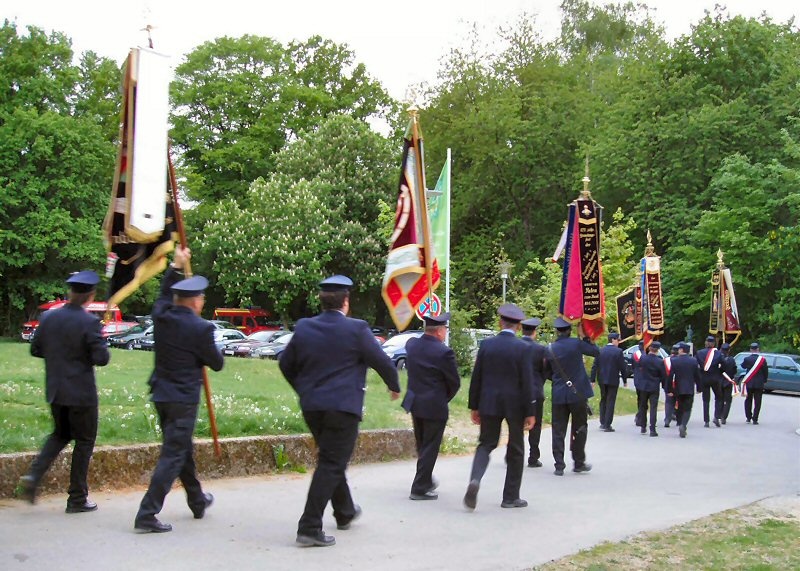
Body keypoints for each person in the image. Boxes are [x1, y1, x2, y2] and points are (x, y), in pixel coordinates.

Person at [279, 275, 400, 547]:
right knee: (331, 463)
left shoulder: (305, 327)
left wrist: (303, 389)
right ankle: (309, 526)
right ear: (346, 302)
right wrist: (394, 385)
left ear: (321, 302)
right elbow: (381, 361)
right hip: (342, 408)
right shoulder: (356, 329)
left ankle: (344, 511)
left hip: (312, 407)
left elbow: (285, 364)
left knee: (331, 458)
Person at [134, 247, 224, 533]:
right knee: (173, 454)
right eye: (202, 298)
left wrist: (175, 266)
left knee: (181, 449)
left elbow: (162, 296)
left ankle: (197, 500)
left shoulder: (161, 316)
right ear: (195, 301)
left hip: (161, 393)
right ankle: (147, 513)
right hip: (183, 399)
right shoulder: (201, 329)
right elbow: (217, 363)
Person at [18, 270, 110, 512]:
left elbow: (35, 349)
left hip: (56, 390)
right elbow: (102, 359)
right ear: (91, 295)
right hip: (81, 395)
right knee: (84, 441)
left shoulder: (48, 318)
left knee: (59, 435)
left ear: (70, 292)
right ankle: (77, 498)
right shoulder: (90, 322)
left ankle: (34, 476)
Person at [464, 304, 537, 510]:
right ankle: (510, 497)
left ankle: (475, 479)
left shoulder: (487, 345)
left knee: (485, 443)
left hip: (489, 401)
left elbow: (476, 377)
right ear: (519, 326)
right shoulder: (523, 348)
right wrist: (530, 411)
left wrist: (474, 406)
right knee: (516, 447)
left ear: (500, 323)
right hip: (515, 405)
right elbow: (527, 381)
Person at [403, 312, 461, 500]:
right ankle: (419, 487)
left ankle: (425, 479)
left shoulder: (412, 345)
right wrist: (443, 398)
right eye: (445, 329)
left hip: (415, 402)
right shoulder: (444, 352)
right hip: (434, 405)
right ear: (439, 331)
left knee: (422, 445)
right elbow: (455, 382)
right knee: (430, 447)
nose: (445, 333)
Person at [543, 317, 600, 476]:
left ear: (557, 331)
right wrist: (586, 336)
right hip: (578, 393)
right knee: (580, 427)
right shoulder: (577, 343)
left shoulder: (550, 348)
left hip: (559, 394)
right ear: (569, 330)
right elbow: (596, 352)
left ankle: (559, 465)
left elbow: (548, 372)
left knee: (558, 430)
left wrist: (559, 380)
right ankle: (579, 461)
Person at [520, 317, 546, 467]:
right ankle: (533, 456)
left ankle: (512, 452)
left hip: (517, 391)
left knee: (516, 423)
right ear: (534, 332)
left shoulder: (515, 346)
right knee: (535, 425)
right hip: (535, 390)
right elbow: (545, 371)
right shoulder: (540, 349)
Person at [589, 332, 627, 432]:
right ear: (613, 340)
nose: (618, 342)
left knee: (603, 399)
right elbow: (622, 367)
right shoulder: (618, 351)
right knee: (611, 401)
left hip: (602, 379)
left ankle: (602, 421)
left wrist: (592, 379)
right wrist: (625, 379)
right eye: (618, 340)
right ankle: (607, 424)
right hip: (613, 379)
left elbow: (594, 366)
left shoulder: (600, 350)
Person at [667, 343, 701, 438]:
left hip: (678, 387)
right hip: (689, 388)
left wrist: (669, 389)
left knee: (679, 406)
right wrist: (699, 387)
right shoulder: (693, 361)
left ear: (681, 350)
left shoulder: (674, 360)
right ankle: (683, 424)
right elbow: (697, 376)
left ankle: (679, 422)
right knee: (688, 408)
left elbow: (670, 376)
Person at [637, 341, 667, 437]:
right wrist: (664, 386)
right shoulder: (660, 361)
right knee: (653, 408)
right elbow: (663, 376)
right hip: (654, 386)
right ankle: (652, 429)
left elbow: (639, 369)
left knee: (643, 406)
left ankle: (643, 426)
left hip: (643, 386)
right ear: (658, 350)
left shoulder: (643, 358)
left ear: (650, 348)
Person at [695, 335, 725, 427]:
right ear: (713, 344)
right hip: (715, 378)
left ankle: (706, 421)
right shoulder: (718, 353)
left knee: (706, 400)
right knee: (719, 398)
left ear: (706, 343)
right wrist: (719, 372)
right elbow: (724, 364)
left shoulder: (699, 353)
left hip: (704, 378)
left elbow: (696, 366)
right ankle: (716, 416)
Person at [741, 342, 769, 425]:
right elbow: (765, 371)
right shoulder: (762, 360)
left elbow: (743, 366)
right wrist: (764, 380)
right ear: (758, 349)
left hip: (749, 382)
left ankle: (748, 417)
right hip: (759, 383)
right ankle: (755, 419)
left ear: (750, 350)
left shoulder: (747, 359)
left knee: (748, 400)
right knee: (758, 401)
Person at [719, 343, 738, 424]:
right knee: (728, 401)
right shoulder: (731, 360)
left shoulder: (718, 359)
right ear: (729, 350)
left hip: (719, 381)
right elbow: (734, 370)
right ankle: (724, 416)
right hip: (728, 381)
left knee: (719, 399)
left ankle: (718, 414)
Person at [663, 344, 679, 428]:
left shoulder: (666, 360)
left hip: (668, 384)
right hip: (679, 384)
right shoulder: (680, 360)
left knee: (669, 402)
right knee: (679, 401)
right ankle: (678, 418)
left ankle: (667, 419)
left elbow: (662, 373)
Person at [632, 341, 645, 428]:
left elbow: (633, 367)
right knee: (643, 400)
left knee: (639, 398)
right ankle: (640, 416)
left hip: (637, 379)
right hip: (645, 380)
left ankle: (639, 415)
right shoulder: (646, 355)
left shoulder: (635, 355)